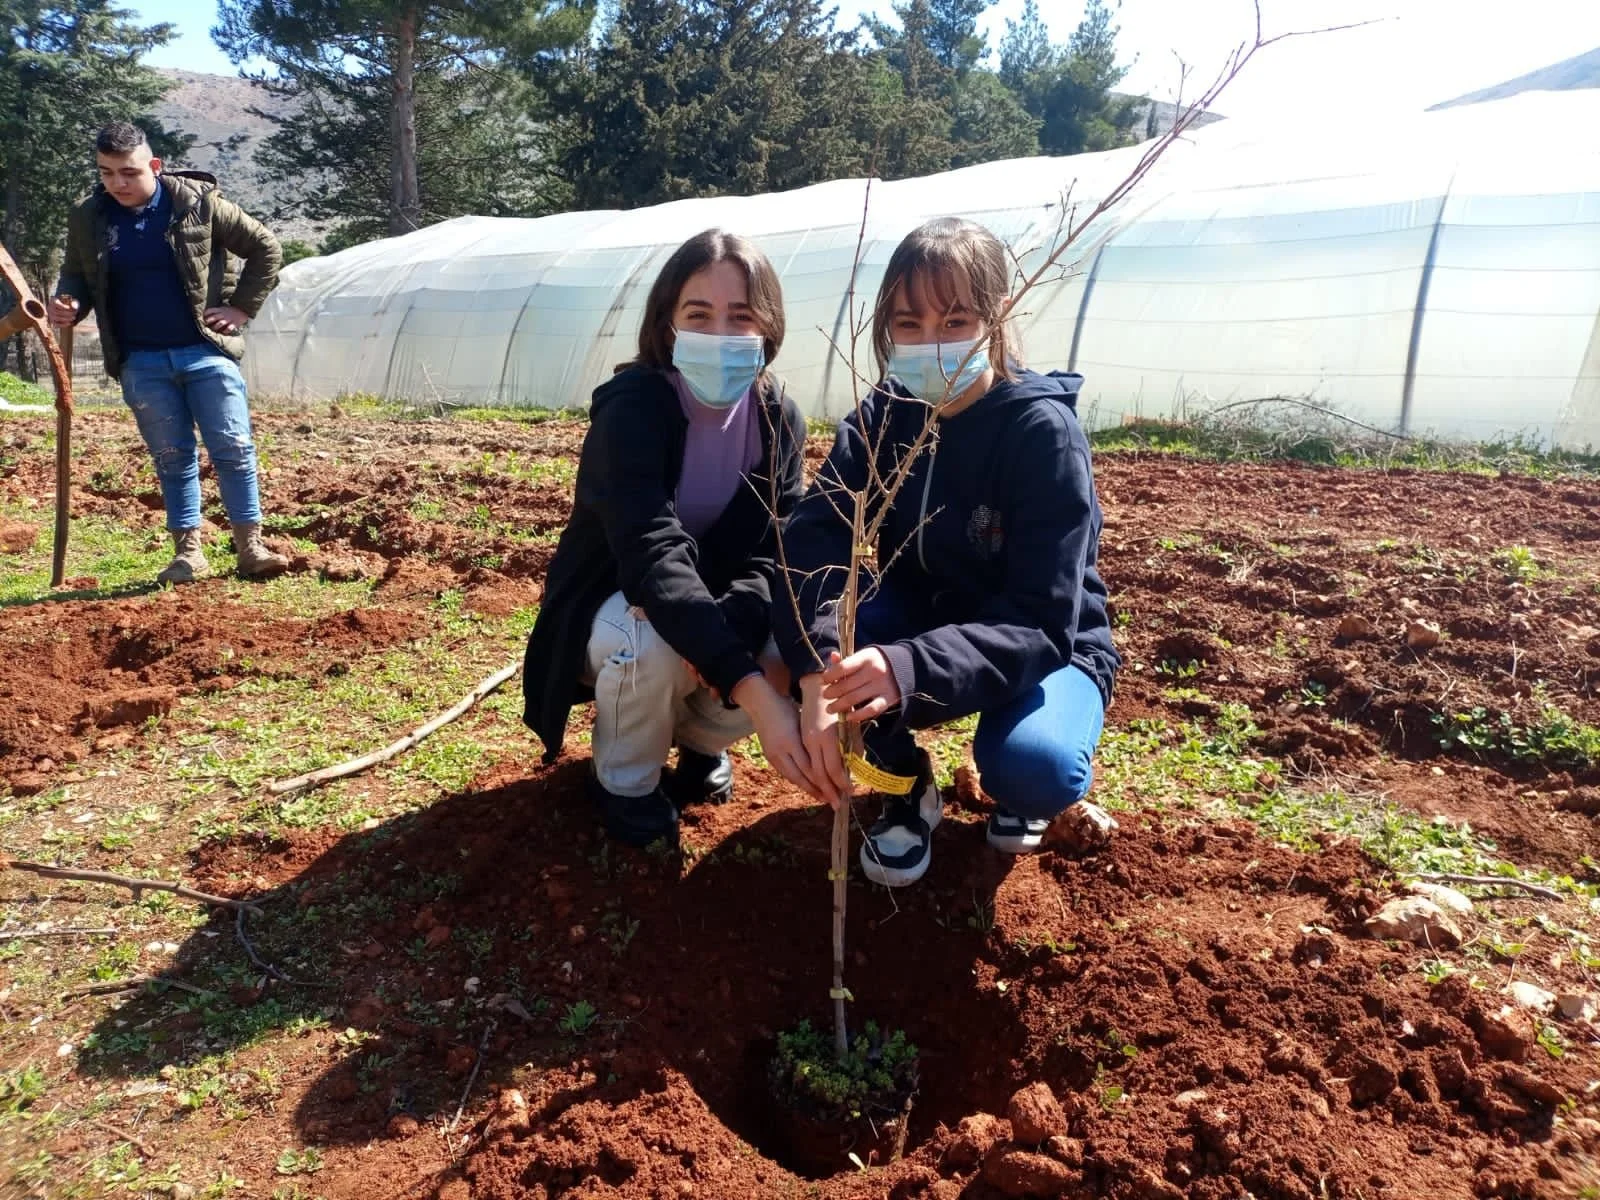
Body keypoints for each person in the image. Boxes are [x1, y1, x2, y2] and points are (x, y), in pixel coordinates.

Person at [776, 217, 1122, 888]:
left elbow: (1040, 617)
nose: (931, 344)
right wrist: (823, 666)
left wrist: (907, 667)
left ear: (997, 319)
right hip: (918, 614)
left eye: (956, 318)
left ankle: (1023, 796)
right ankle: (906, 789)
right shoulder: (886, 416)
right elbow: (815, 537)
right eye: (909, 325)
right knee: (815, 651)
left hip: (1044, 643)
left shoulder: (1041, 434)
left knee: (1034, 765)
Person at [522, 229, 826, 847]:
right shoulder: (635, 407)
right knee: (653, 636)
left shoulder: (777, 417)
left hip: (707, 603)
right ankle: (625, 783)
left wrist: (740, 619)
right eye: (699, 315)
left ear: (767, 328)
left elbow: (775, 548)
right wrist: (753, 694)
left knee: (781, 642)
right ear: (667, 325)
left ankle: (697, 742)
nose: (720, 334)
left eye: (740, 316)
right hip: (616, 607)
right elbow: (652, 554)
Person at [50, 121, 287, 584]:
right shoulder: (88, 216)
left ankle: (250, 548)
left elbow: (265, 247)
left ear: (154, 167)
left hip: (205, 351)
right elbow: (76, 274)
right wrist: (70, 303)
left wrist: (240, 308)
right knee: (172, 456)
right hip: (141, 360)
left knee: (233, 448)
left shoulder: (198, 203)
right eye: (106, 172)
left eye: (129, 172)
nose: (117, 183)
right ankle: (189, 554)